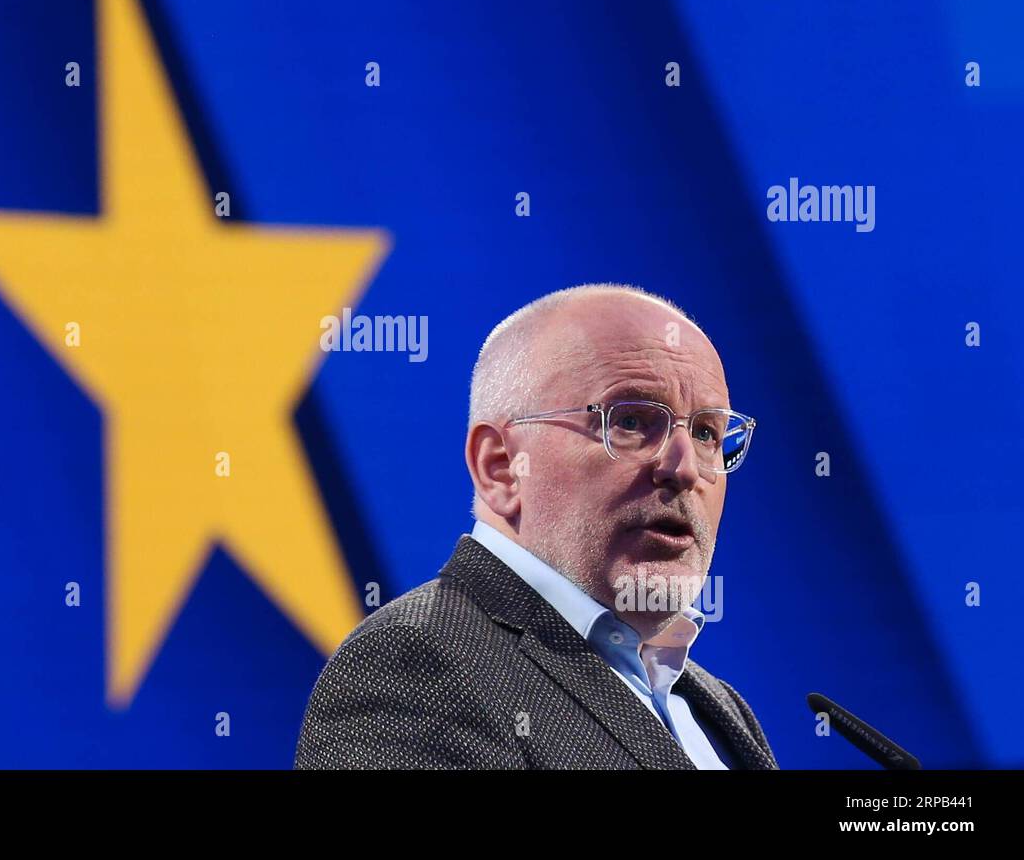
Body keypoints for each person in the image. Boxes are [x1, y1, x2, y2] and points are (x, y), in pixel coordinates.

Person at [295, 283, 777, 769]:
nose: (685, 467)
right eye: (630, 421)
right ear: (501, 467)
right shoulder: (411, 666)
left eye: (706, 433)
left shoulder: (718, 708)